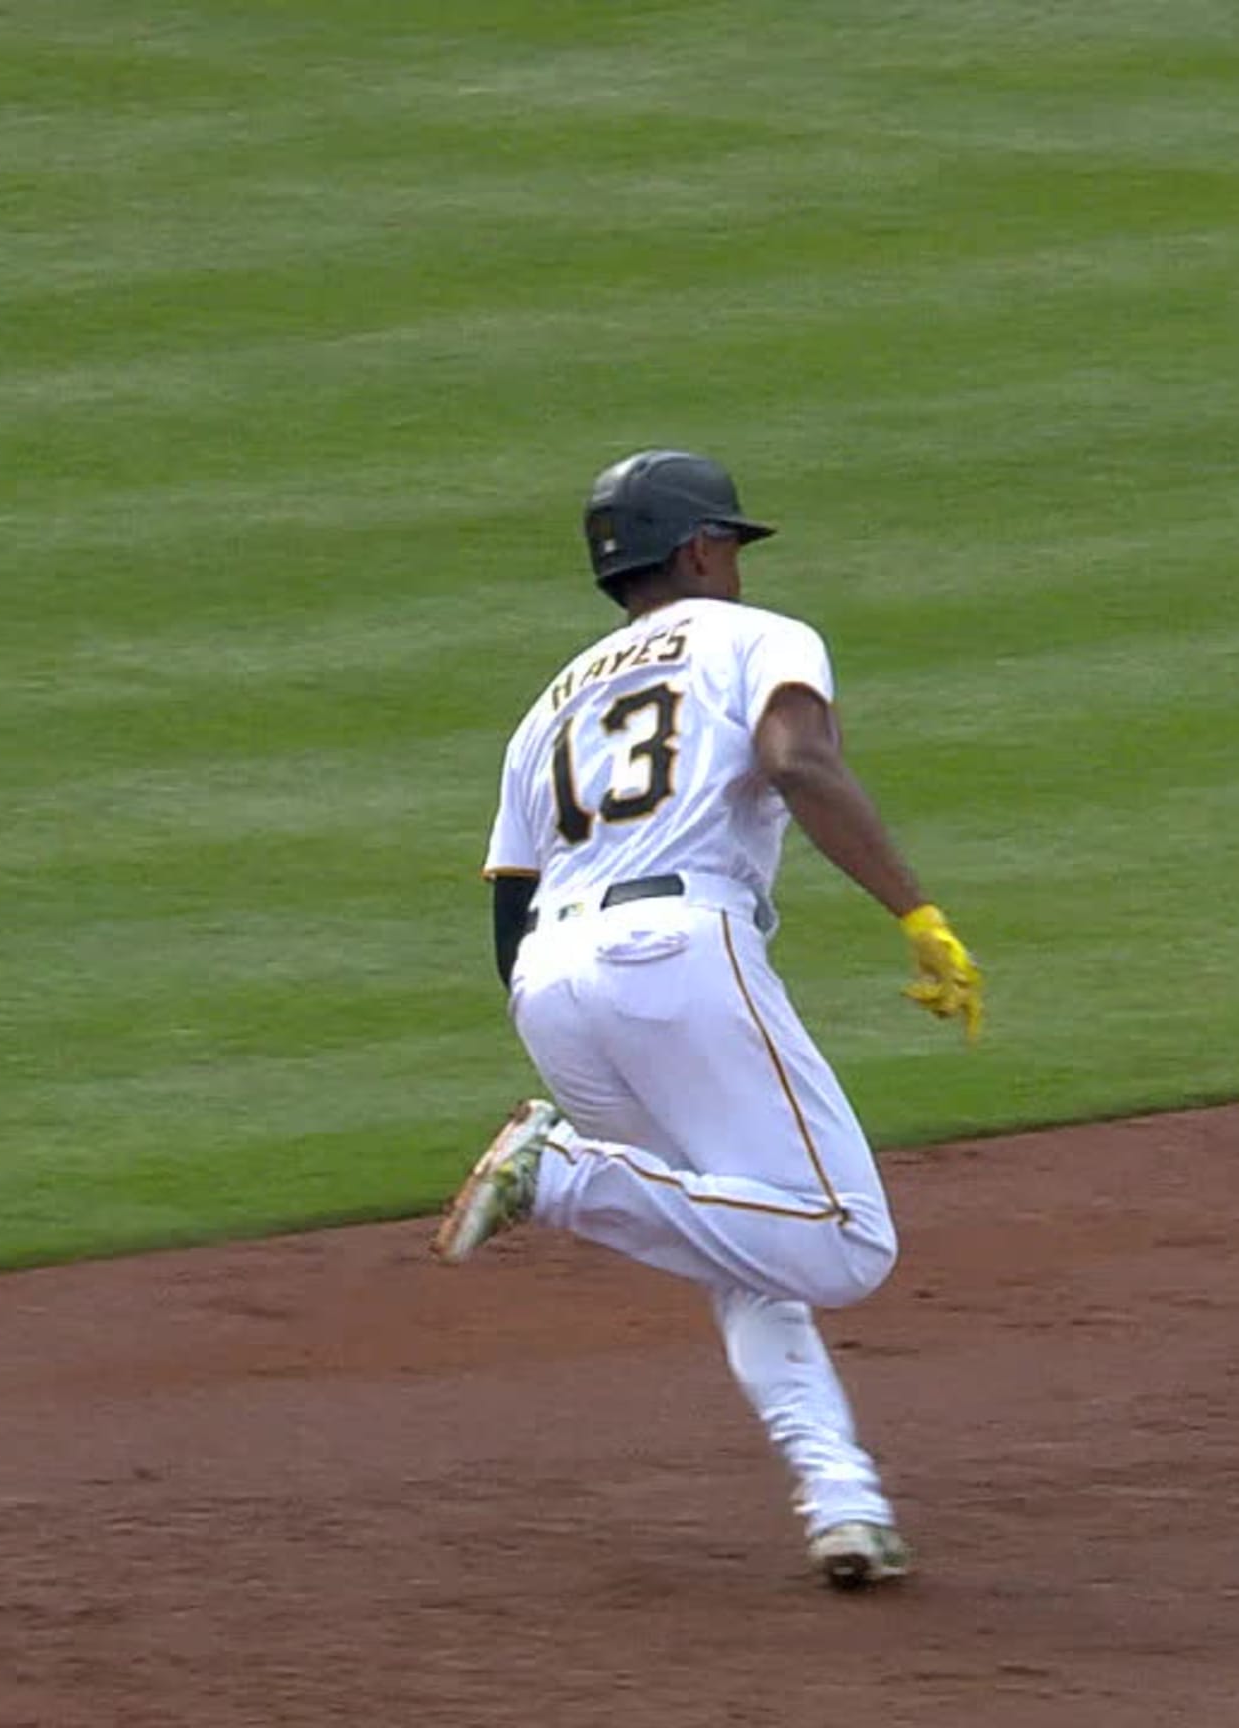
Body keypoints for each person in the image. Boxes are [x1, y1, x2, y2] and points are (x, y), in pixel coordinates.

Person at [433, 448, 984, 1592]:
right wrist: (916, 911)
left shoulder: (545, 711)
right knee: (843, 1238)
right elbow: (797, 760)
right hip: (674, 953)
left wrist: (585, 1027)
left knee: (739, 1233)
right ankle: (567, 1177)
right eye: (728, 541)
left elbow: (508, 915)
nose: (736, 561)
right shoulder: (758, 638)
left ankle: (841, 1497)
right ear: (694, 551)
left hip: (550, 981)